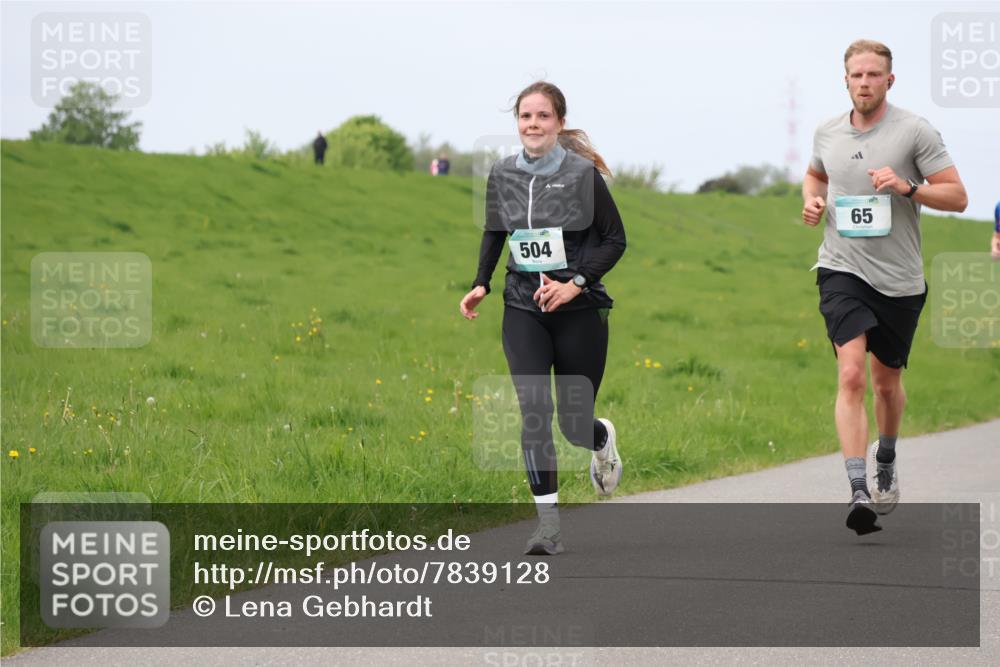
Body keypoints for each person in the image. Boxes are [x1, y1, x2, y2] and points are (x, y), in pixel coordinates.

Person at [802, 40, 968, 534]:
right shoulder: (827, 132)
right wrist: (812, 204)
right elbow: (814, 177)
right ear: (846, 80)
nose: (865, 83)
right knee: (851, 374)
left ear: (889, 81)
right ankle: (857, 490)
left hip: (898, 280)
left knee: (885, 382)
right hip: (841, 269)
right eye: (857, 75)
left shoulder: (915, 131)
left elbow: (958, 196)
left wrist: (907, 188)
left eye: (875, 75)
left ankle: (887, 458)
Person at [459, 81, 627, 555]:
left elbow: (615, 240)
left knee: (574, 426)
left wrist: (574, 282)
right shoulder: (503, 174)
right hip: (522, 306)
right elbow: (495, 230)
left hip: (578, 310)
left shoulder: (582, 176)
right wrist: (481, 283)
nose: (532, 124)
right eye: (525, 117)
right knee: (535, 411)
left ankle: (600, 438)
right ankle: (547, 526)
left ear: (558, 122)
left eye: (542, 117)